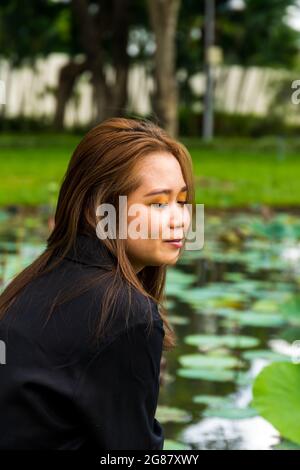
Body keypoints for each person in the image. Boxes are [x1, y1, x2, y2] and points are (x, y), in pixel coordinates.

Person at [0, 117, 195, 450]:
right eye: (158, 204)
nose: (180, 218)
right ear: (98, 212)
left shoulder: (32, 280)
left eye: (182, 200)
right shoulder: (126, 313)